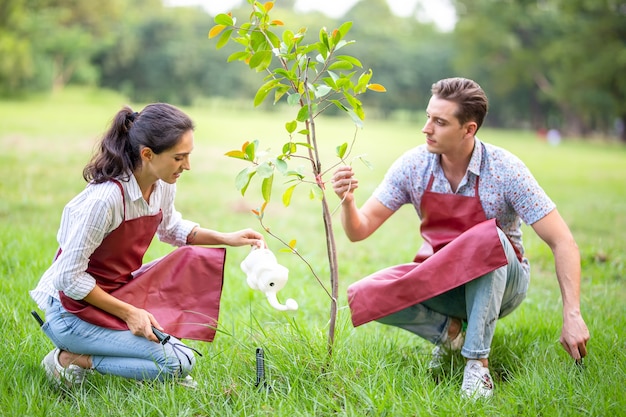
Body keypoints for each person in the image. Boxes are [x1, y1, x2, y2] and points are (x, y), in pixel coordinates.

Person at [331, 77, 589, 399]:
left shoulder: (506, 169)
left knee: (487, 239)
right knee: (366, 294)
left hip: (501, 282)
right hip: (441, 278)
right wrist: (348, 200)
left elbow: (563, 241)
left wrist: (573, 315)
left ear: (468, 130)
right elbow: (360, 230)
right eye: (428, 117)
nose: (426, 128)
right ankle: (451, 334)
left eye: (439, 122)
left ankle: (477, 363)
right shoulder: (413, 165)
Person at [30, 103, 264, 389]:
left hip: (116, 294)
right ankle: (70, 359)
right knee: (178, 362)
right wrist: (130, 313)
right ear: (147, 154)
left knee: (181, 358)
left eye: (188, 156)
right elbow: (68, 277)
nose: (187, 166)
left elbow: (170, 228)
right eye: (179, 157)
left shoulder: (162, 184)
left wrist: (227, 237)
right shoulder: (105, 201)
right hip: (70, 312)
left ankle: (131, 360)